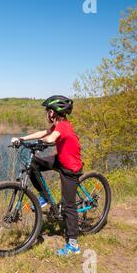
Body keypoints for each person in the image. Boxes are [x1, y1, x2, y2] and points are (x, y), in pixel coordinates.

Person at [11, 95, 83, 256]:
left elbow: (51, 138)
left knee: (69, 206)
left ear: (54, 113)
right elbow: (43, 132)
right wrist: (22, 138)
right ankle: (43, 197)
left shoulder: (63, 126)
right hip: (61, 160)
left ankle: (73, 245)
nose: (47, 114)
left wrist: (43, 143)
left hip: (70, 168)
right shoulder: (58, 125)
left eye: (48, 111)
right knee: (34, 164)